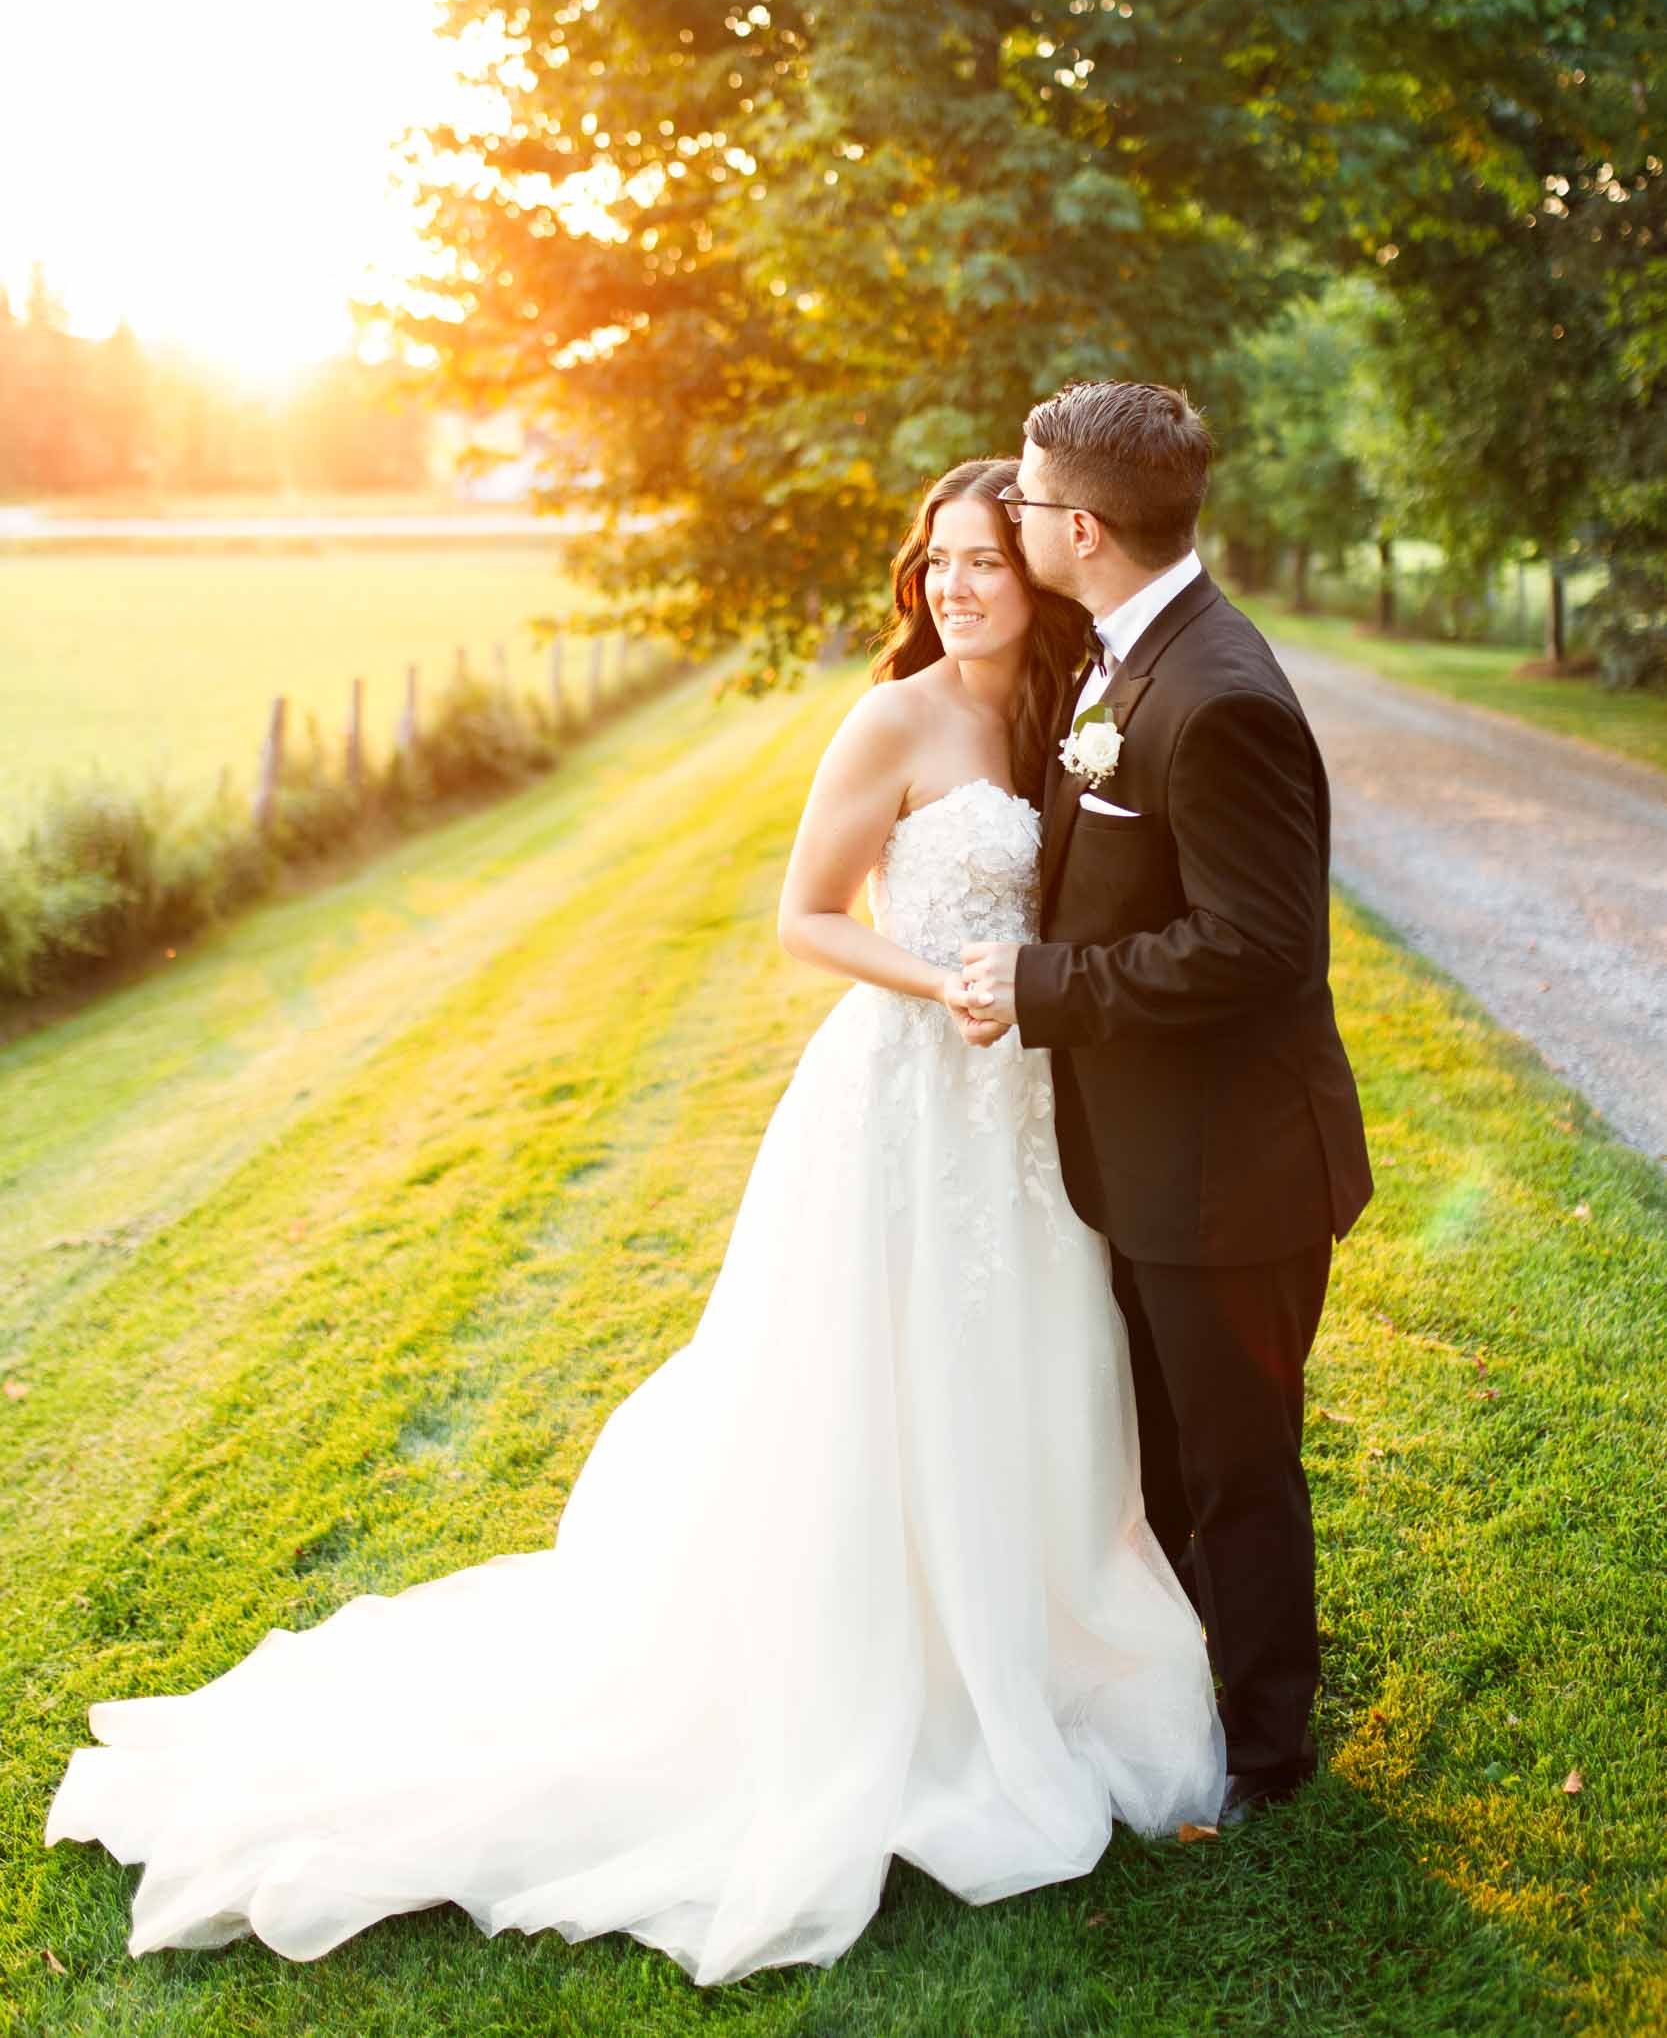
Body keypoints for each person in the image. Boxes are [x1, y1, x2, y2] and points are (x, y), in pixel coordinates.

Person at [45, 457, 1224, 1989]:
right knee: (885, 1384)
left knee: (1024, 1369)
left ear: (1043, 568)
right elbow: (803, 918)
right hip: (907, 1099)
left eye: (986, 560)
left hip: (1027, 1111)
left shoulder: (1063, 710)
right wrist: (943, 987)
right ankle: (884, 1685)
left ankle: (1030, 1645)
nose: (955, 587)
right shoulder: (892, 717)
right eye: (937, 563)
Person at [957, 384, 1373, 1818]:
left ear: (1081, 527)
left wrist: (1044, 986)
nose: (1009, 519)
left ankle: (1267, 1756)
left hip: (1231, 1176)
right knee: (1175, 1459)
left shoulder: (1221, 693)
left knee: (1239, 1466)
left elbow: (1261, 948)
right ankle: (1188, 1677)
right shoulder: (1124, 650)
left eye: (1021, 499)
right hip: (1152, 1158)